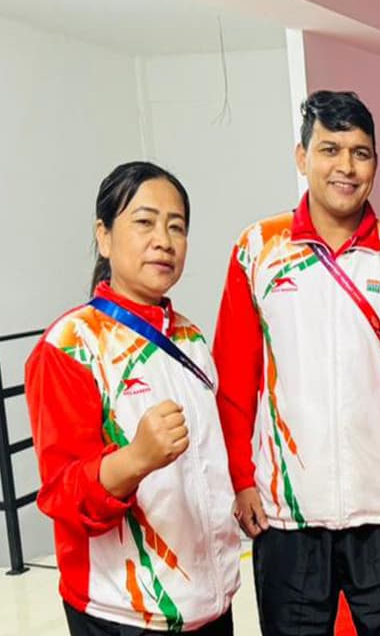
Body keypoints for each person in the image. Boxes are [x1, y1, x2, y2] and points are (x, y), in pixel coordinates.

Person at [213, 91, 380, 636]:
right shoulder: (258, 251)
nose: (346, 167)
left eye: (360, 152)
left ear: (375, 162)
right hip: (288, 514)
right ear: (301, 158)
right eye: (329, 149)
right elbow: (234, 380)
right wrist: (242, 480)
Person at [25, 162, 240, 634]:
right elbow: (62, 494)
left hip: (211, 604)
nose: (163, 239)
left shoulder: (190, 339)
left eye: (176, 226)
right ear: (103, 236)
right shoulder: (70, 346)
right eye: (144, 222)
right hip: (124, 612)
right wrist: (137, 458)